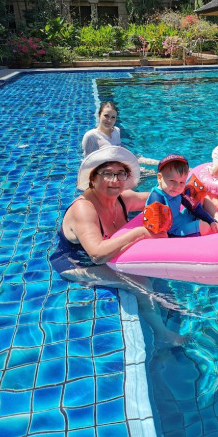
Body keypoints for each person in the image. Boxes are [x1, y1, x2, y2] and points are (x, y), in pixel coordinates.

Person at [50, 145, 186, 345]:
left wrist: (190, 191)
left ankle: (169, 311)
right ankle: (162, 335)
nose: (115, 181)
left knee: (158, 276)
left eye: (121, 174)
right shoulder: (84, 209)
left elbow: (163, 195)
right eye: (107, 174)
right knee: (142, 284)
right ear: (93, 178)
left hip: (109, 257)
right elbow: (97, 254)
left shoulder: (122, 199)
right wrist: (140, 233)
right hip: (78, 263)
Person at [146, 154, 218, 237]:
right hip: (174, 230)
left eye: (182, 182)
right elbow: (159, 230)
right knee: (205, 227)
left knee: (199, 196)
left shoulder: (177, 190)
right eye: (172, 181)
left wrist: (211, 221)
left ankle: (216, 217)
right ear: (160, 178)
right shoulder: (156, 199)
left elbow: (194, 207)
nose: (177, 186)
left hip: (182, 218)